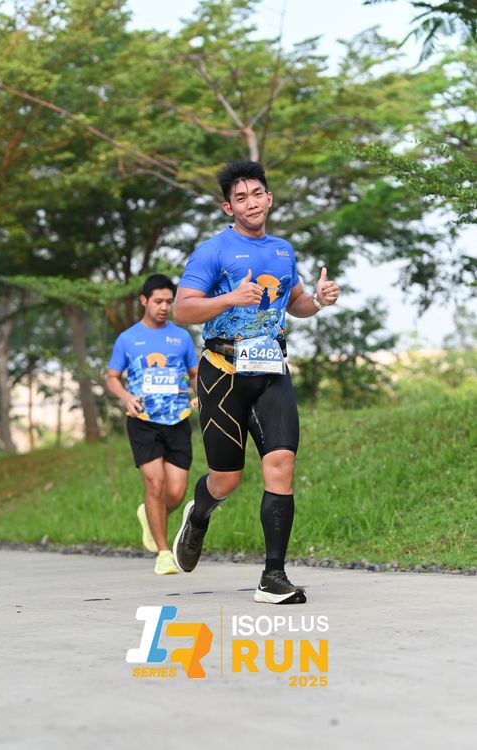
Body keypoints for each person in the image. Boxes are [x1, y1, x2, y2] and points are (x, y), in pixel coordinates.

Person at [172, 161, 339, 603]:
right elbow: (182, 310)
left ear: (269, 198)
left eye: (257, 194)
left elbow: (294, 303)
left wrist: (318, 301)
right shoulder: (213, 251)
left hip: (271, 373)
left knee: (281, 464)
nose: (251, 203)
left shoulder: (283, 251)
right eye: (241, 198)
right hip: (222, 375)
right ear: (229, 207)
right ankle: (199, 514)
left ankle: (273, 576)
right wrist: (230, 298)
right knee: (226, 480)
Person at [106, 274, 198, 575]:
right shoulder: (128, 338)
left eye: (169, 302)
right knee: (155, 484)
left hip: (178, 419)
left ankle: (150, 514)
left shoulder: (181, 338)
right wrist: (126, 397)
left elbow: (194, 374)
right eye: (158, 301)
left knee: (176, 493)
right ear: (144, 301)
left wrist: (201, 394)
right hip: (143, 420)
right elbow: (112, 378)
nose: (164, 307)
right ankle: (163, 553)